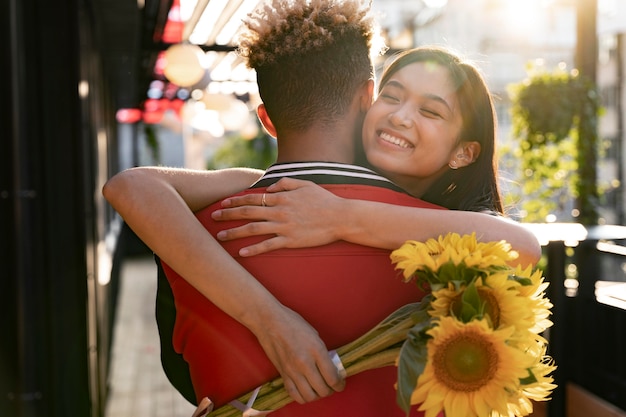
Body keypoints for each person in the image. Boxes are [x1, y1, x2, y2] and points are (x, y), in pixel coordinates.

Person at [102, 1, 541, 416]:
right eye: (395, 96)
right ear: (368, 98)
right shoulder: (450, 258)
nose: (404, 118)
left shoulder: (190, 234)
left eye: (430, 111)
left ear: (266, 119)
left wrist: (335, 220)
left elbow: (183, 373)